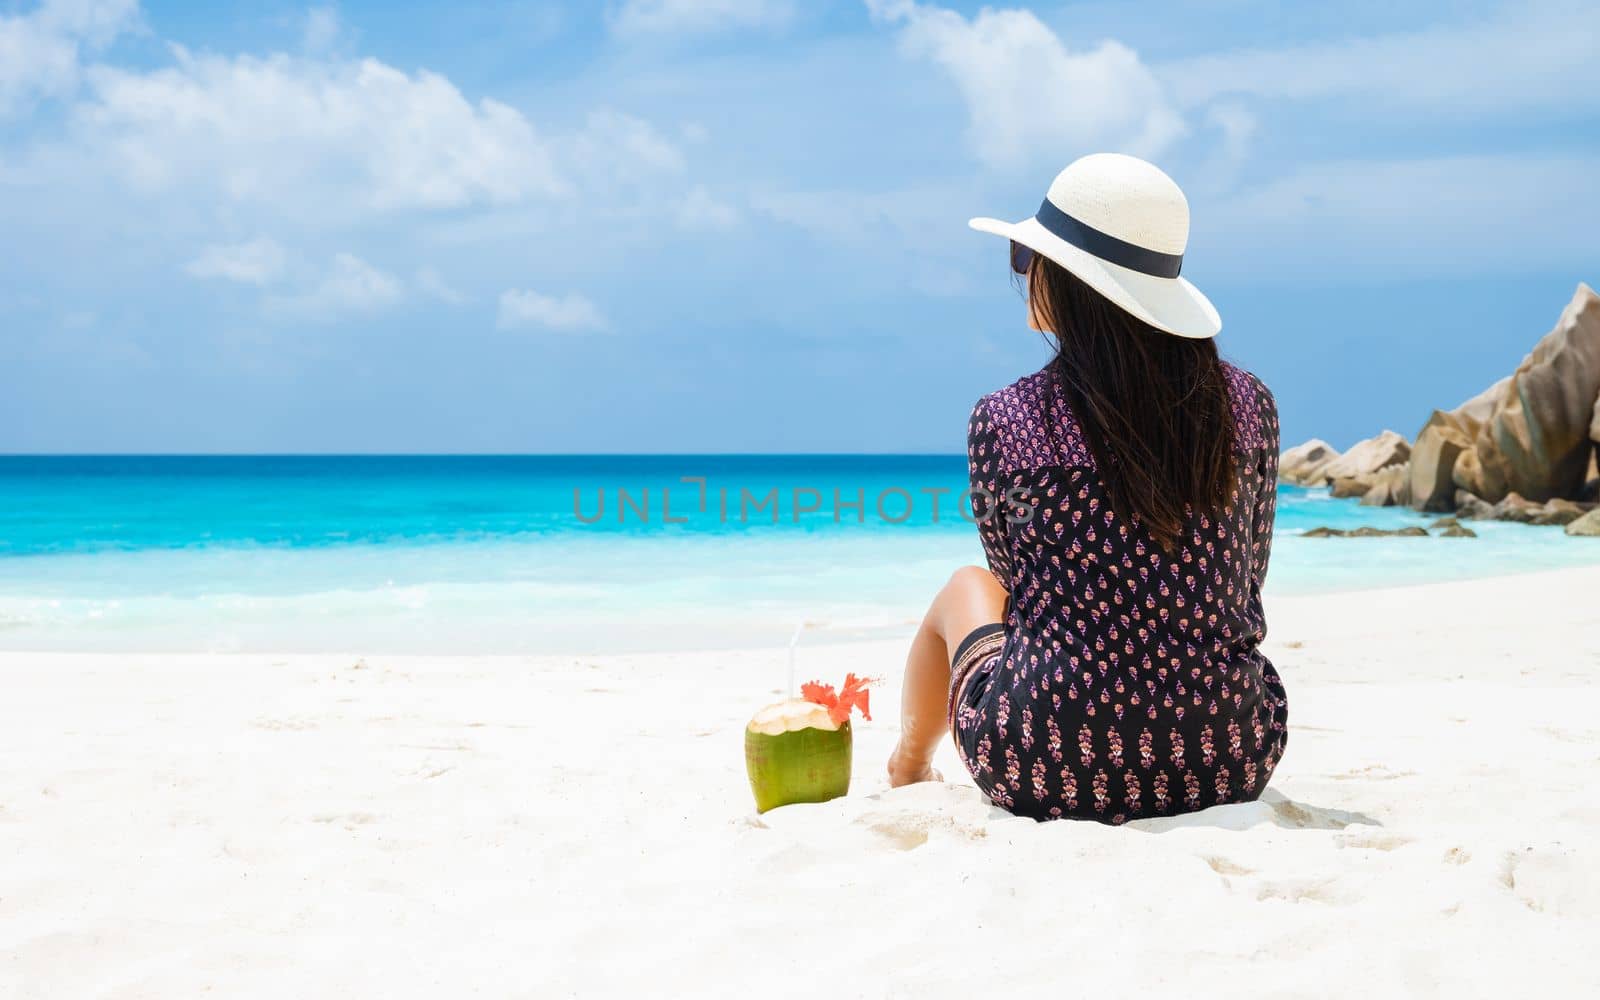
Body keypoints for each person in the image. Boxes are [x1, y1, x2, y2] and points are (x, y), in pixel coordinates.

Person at [886, 153, 1288, 823]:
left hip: (1046, 759)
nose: (1023, 271)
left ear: (1070, 281)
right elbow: (1248, 571)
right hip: (1228, 753)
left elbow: (1015, 585)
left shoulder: (1007, 419)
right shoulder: (1250, 407)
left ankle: (907, 765)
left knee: (966, 588)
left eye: (1027, 255)